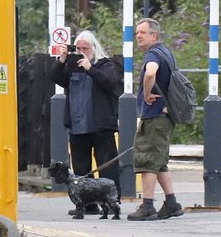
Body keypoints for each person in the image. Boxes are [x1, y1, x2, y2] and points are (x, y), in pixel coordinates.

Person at [51, 30, 123, 212]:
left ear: (93, 48)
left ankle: (113, 201)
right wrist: (62, 61)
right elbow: (56, 78)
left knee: (107, 165)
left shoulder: (105, 64)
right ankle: (87, 205)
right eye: (79, 48)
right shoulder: (71, 67)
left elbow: (110, 82)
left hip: (100, 125)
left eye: (85, 48)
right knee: (81, 167)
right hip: (77, 125)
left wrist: (90, 68)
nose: (82, 51)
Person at [126, 18, 185, 221]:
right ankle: (172, 203)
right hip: (165, 116)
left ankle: (147, 206)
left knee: (147, 160)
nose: (138, 36)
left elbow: (150, 72)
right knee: (159, 162)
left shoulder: (153, 54)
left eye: (142, 32)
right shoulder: (166, 53)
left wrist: (147, 92)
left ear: (154, 35)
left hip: (155, 115)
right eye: (137, 33)